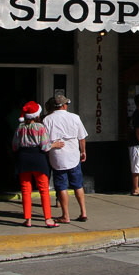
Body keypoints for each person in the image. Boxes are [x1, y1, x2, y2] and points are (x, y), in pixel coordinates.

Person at [11, 100, 63, 228]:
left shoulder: (20, 128)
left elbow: (14, 146)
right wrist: (54, 144)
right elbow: (45, 147)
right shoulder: (40, 128)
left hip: (23, 158)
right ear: (37, 115)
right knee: (43, 190)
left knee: (25, 190)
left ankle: (28, 219)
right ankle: (48, 219)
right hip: (38, 159)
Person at [43, 95, 89, 224]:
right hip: (73, 154)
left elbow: (45, 140)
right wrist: (83, 151)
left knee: (62, 186)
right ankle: (83, 212)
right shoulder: (75, 117)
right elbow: (82, 137)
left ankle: (66, 215)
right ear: (63, 105)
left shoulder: (47, 120)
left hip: (57, 156)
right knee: (78, 185)